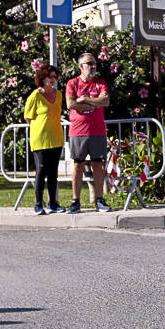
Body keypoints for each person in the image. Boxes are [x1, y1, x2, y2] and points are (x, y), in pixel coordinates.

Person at [65, 51, 112, 213]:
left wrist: (84, 100)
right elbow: (71, 104)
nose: (93, 67)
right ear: (80, 66)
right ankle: (75, 201)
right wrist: (94, 104)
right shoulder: (72, 83)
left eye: (94, 64)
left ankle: (99, 200)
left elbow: (105, 101)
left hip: (97, 131)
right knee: (78, 165)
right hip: (78, 131)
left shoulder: (100, 83)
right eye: (89, 64)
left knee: (97, 165)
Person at [24, 64, 65, 215]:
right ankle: (38, 203)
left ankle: (53, 203)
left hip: (56, 138)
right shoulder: (35, 96)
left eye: (55, 77)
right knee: (41, 169)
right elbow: (28, 117)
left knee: (53, 172)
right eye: (50, 77)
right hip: (40, 139)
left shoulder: (59, 94)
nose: (53, 80)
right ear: (42, 78)